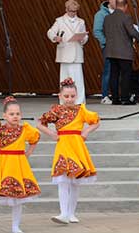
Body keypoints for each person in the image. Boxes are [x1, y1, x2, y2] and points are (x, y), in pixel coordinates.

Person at [37, 77, 100, 224]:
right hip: (63, 145)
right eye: (66, 96)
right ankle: (63, 213)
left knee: (75, 182)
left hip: (77, 145)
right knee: (63, 180)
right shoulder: (56, 110)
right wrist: (52, 134)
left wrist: (86, 131)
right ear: (60, 96)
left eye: (72, 96)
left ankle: (71, 213)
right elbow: (40, 123)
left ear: (76, 96)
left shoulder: (81, 109)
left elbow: (96, 121)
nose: (69, 99)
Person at [0, 97, 41, 233]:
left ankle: (15, 226)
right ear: (4, 115)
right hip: (2, 164)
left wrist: (29, 152)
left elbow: (35, 139)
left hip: (18, 165)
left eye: (17, 114)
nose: (15, 116)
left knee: (18, 198)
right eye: (11, 114)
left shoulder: (25, 129)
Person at [47, 0, 89, 105]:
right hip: (65, 53)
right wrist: (55, 37)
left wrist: (82, 38)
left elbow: (85, 36)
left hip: (77, 53)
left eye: (75, 11)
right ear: (66, 10)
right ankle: (64, 102)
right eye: (70, 11)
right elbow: (50, 32)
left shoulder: (81, 21)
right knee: (65, 80)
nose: (72, 13)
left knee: (78, 80)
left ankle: (79, 102)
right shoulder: (60, 21)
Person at [103, 0, 139, 104]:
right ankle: (125, 98)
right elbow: (132, 32)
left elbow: (105, 32)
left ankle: (115, 98)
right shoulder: (126, 17)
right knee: (125, 75)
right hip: (124, 52)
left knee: (114, 75)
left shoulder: (107, 18)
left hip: (110, 51)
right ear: (125, 6)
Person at [93, 0, 119, 104]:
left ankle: (116, 95)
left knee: (117, 71)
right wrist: (105, 42)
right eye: (117, 1)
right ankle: (104, 95)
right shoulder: (101, 14)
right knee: (108, 70)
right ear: (111, 0)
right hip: (108, 46)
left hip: (119, 46)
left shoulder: (118, 13)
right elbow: (97, 31)